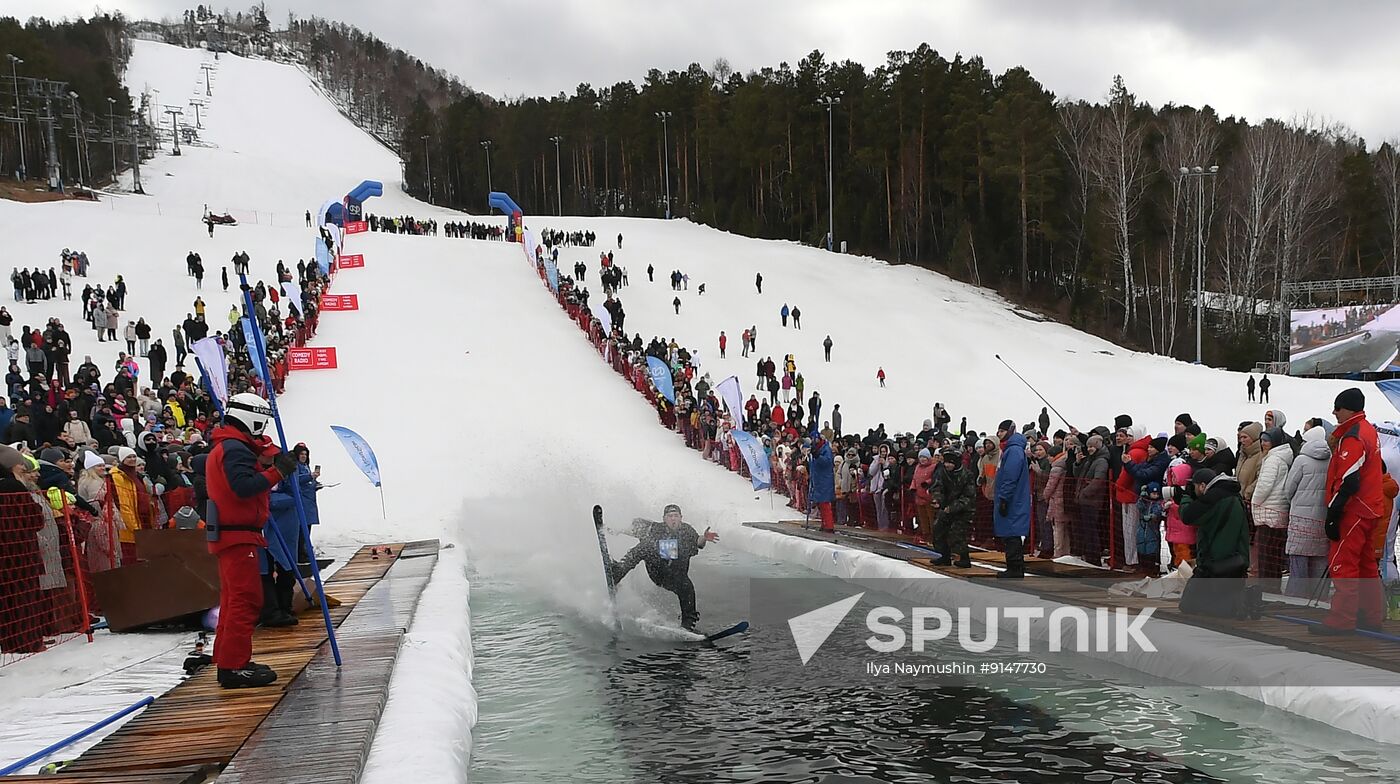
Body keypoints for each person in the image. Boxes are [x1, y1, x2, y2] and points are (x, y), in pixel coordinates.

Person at [206, 392, 298, 687]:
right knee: (245, 600)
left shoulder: (228, 445)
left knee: (233, 599)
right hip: (238, 533)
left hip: (232, 532)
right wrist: (277, 472)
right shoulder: (235, 449)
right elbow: (243, 487)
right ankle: (234, 666)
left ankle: (227, 660)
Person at [1314, 387, 1386, 634]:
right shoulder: (1368, 430)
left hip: (1353, 510)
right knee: (1366, 566)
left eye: (1338, 408)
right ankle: (1371, 616)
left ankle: (1342, 619)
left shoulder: (1353, 435)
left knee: (1344, 564)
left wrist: (1334, 513)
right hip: (1370, 508)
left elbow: (1349, 480)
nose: (1334, 413)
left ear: (1350, 409)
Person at [609, 504, 718, 631]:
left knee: (687, 586)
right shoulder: (656, 529)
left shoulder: (687, 530)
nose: (673, 519)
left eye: (676, 516)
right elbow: (633, 531)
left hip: (676, 577)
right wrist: (614, 530)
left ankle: (688, 624)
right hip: (658, 572)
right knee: (647, 545)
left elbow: (699, 543)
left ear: (681, 517)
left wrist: (704, 537)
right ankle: (618, 571)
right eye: (670, 516)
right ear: (664, 519)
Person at [1177, 467, 1252, 618]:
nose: (1194, 490)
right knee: (1222, 600)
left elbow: (1188, 516)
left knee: (1189, 605)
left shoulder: (1213, 498)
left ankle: (1236, 606)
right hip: (1236, 559)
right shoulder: (1233, 495)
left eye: (1194, 486)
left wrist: (1185, 498)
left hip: (1215, 561)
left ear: (1202, 486)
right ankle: (1238, 604)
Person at [993, 420, 1031, 578]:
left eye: (1002, 431)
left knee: (1012, 533)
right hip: (1012, 498)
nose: (999, 434)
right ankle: (1014, 567)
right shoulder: (1010, 449)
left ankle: (1015, 568)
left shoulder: (1013, 451)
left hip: (1013, 500)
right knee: (1010, 533)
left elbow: (1010, 477)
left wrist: (1004, 498)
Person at [931, 447, 975, 568]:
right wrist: (937, 500)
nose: (947, 465)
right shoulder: (942, 473)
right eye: (946, 462)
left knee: (957, 534)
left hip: (963, 510)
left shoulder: (967, 475)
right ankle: (945, 556)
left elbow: (968, 497)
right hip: (946, 507)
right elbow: (937, 488)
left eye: (950, 463)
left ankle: (964, 558)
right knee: (938, 530)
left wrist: (952, 507)